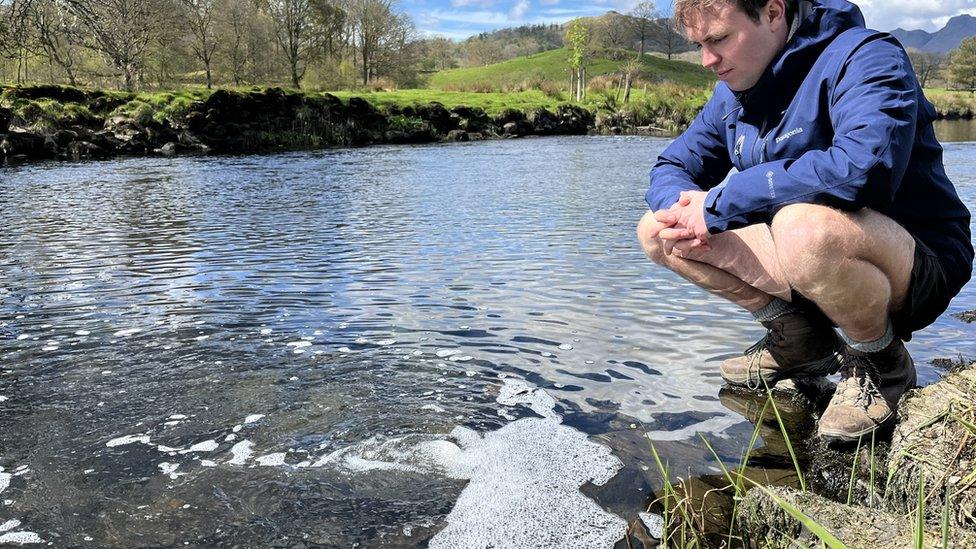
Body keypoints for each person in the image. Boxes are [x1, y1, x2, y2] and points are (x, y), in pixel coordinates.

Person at [636, 0, 973, 442]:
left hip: (916, 262)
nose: (707, 60)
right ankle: (798, 338)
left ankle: (879, 361)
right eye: (699, 45)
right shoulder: (731, 94)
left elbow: (861, 171)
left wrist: (722, 199)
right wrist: (680, 209)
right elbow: (671, 165)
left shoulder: (866, 57)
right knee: (657, 230)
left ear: (774, 13)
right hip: (810, 255)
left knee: (803, 228)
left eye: (718, 39)